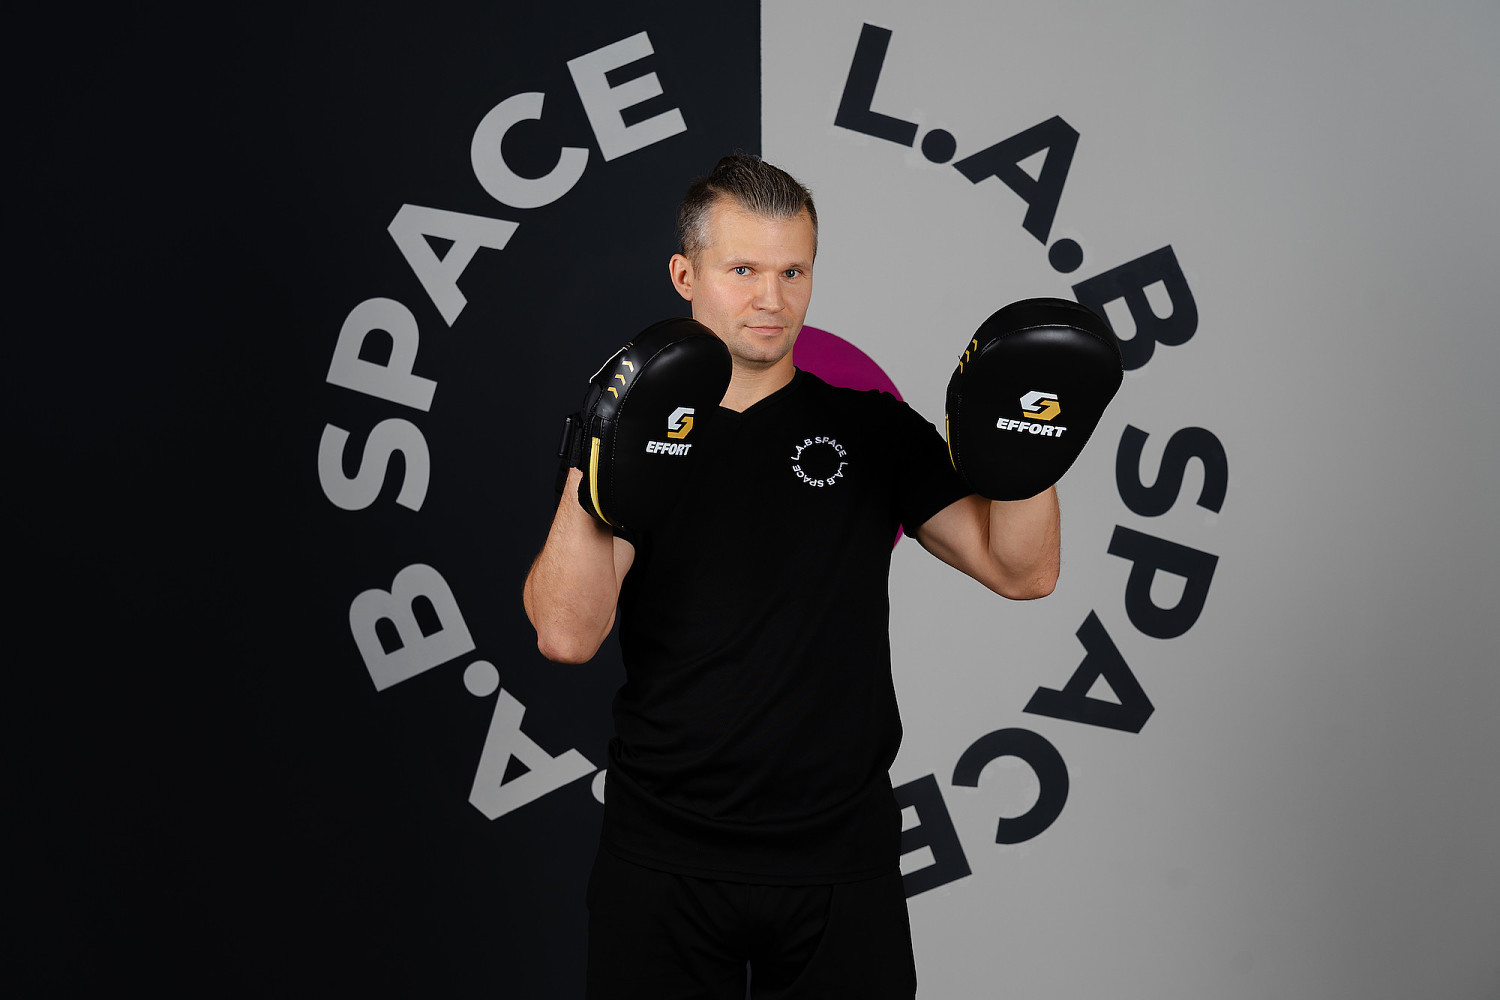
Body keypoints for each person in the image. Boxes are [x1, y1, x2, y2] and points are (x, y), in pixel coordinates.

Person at [525, 155, 1063, 999]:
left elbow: (1020, 571)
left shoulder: (874, 428)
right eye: (742, 270)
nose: (771, 299)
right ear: (685, 275)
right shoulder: (645, 441)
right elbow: (566, 633)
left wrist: (1032, 448)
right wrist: (598, 446)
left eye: (792, 272)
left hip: (838, 855)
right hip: (665, 851)